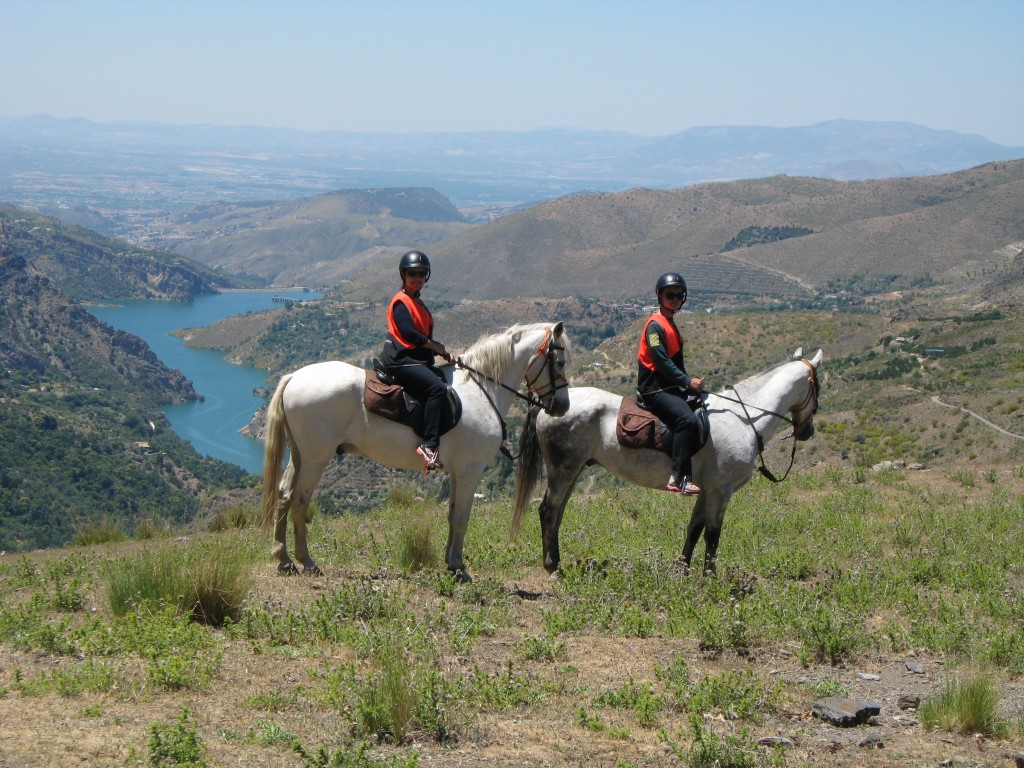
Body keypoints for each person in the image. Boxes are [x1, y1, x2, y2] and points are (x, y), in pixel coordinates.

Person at [379, 250, 452, 471]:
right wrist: (435, 346)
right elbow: (409, 334)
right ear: (403, 274)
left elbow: (421, 336)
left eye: (422, 273)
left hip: (414, 359)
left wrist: (441, 352)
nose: (417, 277)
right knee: (437, 389)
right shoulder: (401, 302)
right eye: (412, 273)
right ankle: (429, 445)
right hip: (401, 360)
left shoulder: (415, 300)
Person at [636, 272, 704, 494]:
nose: (674, 299)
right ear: (660, 296)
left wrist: (688, 384)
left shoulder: (669, 323)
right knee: (687, 420)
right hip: (655, 388)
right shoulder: (655, 326)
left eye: (678, 295)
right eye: (670, 294)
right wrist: (687, 381)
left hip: (669, 387)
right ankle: (680, 478)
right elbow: (662, 362)